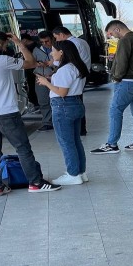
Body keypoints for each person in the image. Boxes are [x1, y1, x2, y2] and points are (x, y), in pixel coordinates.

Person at [0, 30, 61, 197]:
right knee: (22, 148)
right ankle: (35, 182)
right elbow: (31, 62)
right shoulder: (2, 60)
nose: (4, 48)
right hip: (7, 112)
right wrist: (19, 43)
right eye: (4, 45)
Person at [90, 20, 133, 154]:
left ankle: (112, 144)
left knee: (115, 110)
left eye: (111, 33)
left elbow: (123, 62)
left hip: (129, 81)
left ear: (117, 29)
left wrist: (116, 78)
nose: (112, 36)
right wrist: (116, 56)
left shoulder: (125, 40)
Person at [36, 40, 88, 185]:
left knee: (66, 142)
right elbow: (67, 84)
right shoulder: (76, 66)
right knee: (75, 141)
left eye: (53, 50)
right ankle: (80, 172)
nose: (51, 53)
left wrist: (46, 83)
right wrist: (50, 79)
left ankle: (72, 174)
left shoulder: (65, 69)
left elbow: (62, 92)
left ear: (61, 52)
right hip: (75, 104)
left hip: (63, 106)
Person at [53, 26, 91, 136]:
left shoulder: (70, 46)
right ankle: (81, 129)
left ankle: (80, 129)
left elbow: (62, 92)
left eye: (56, 38)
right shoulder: (82, 41)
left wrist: (46, 82)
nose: (57, 41)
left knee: (67, 140)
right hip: (80, 75)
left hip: (66, 102)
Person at [33, 31, 55, 132]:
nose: (45, 44)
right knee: (43, 101)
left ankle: (57, 120)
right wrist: (38, 64)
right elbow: (31, 63)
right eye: (42, 42)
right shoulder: (36, 50)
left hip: (54, 77)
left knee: (56, 100)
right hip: (40, 77)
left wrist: (51, 65)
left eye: (47, 41)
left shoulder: (57, 49)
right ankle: (47, 122)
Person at [20, 34, 39, 108]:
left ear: (24, 40)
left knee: (32, 87)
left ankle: (35, 104)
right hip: (32, 71)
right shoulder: (36, 46)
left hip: (33, 71)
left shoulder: (30, 48)